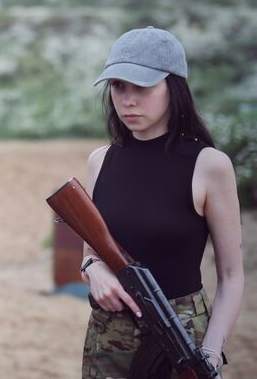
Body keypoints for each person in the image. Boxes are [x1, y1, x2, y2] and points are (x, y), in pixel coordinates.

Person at [80, 26, 244, 378]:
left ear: (174, 88)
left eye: (142, 87)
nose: (128, 100)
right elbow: (91, 251)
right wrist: (93, 270)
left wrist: (211, 353)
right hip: (108, 340)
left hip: (182, 338)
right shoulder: (100, 160)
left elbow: (231, 275)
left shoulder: (210, 165)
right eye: (118, 86)